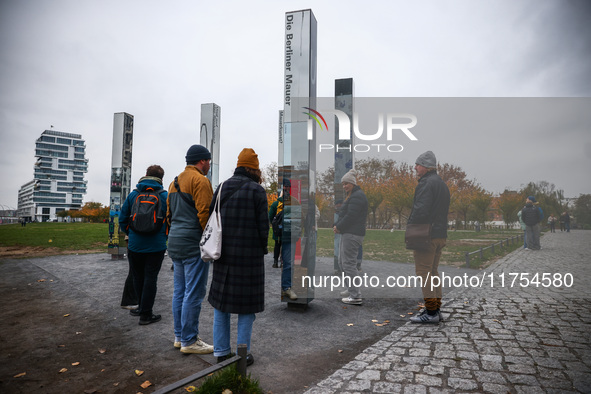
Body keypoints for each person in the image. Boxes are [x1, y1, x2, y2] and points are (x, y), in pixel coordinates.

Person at [208, 148, 269, 366]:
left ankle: (221, 353)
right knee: (247, 307)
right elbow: (264, 228)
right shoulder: (257, 191)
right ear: (254, 169)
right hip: (249, 257)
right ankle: (243, 354)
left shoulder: (221, 187)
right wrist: (263, 249)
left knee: (221, 305)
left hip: (222, 254)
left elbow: (211, 218)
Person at [167, 145, 214, 354]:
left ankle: (179, 337)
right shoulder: (200, 181)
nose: (210, 165)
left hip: (175, 242)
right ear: (202, 161)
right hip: (192, 242)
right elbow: (205, 214)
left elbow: (168, 214)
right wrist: (210, 241)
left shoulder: (173, 182)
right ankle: (189, 340)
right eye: (209, 161)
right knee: (193, 293)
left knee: (180, 291)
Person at [119, 165, 167, 325]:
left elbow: (122, 218)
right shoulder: (164, 196)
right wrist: (163, 235)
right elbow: (170, 220)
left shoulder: (133, 195)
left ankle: (140, 308)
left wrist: (132, 233)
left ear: (146, 175)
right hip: (156, 246)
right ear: (161, 178)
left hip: (135, 245)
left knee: (138, 276)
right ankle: (146, 314)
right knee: (150, 278)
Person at [407, 151, 450, 324]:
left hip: (427, 235)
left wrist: (411, 225)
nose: (415, 167)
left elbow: (420, 210)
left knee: (424, 273)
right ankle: (436, 309)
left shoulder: (425, 184)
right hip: (440, 235)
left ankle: (431, 312)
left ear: (425, 166)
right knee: (433, 273)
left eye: (417, 164)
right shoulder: (442, 184)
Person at [333, 169, 368, 306]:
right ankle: (351, 289)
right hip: (349, 233)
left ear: (353, 183)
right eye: (343, 184)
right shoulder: (353, 195)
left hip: (352, 234)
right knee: (343, 263)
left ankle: (355, 296)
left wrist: (339, 226)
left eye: (346, 183)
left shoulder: (357, 196)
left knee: (348, 264)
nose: (344, 186)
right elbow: (346, 214)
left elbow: (351, 216)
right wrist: (338, 225)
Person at [280, 179, 298, 301]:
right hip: (278, 235)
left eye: (288, 186)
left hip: (288, 235)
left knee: (288, 263)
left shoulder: (294, 201)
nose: (286, 188)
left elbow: (299, 216)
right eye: (284, 186)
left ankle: (287, 287)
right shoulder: (276, 201)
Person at [268, 192, 283, 268]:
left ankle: (275, 262)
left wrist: (273, 224)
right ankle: (283, 262)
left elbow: (270, 215)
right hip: (286, 227)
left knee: (277, 244)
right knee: (285, 245)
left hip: (277, 228)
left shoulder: (275, 204)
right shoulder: (290, 203)